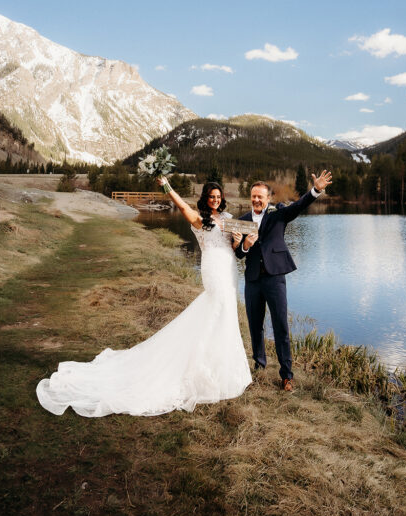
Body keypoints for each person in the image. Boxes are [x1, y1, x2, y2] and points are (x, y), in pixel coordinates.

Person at [36, 179, 251, 417]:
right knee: (216, 305)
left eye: (218, 196)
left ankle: (220, 367)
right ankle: (202, 371)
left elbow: (237, 245)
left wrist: (241, 239)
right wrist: (168, 186)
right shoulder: (200, 219)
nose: (215, 199)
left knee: (226, 311)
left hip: (229, 267)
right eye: (211, 196)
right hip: (213, 269)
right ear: (205, 197)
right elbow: (182, 207)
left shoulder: (230, 218)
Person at [233, 170, 333, 392]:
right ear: (250, 198)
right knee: (255, 326)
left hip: (275, 278)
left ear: (268, 198)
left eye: (261, 196)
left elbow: (298, 206)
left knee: (280, 326)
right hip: (252, 280)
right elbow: (239, 254)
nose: (256, 200)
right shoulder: (241, 222)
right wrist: (246, 245)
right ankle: (259, 366)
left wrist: (315, 190)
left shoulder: (278, 215)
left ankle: (286, 376)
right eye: (253, 196)